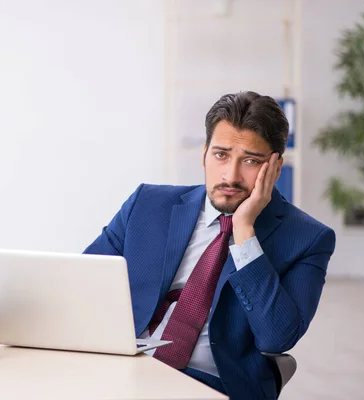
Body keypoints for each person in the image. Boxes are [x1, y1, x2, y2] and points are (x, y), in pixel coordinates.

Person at [84, 91, 336, 400]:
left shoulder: (308, 238)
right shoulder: (147, 204)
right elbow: (83, 285)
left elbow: (276, 337)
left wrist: (244, 230)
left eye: (250, 161)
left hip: (212, 385)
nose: (231, 175)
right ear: (204, 154)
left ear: (275, 167)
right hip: (124, 371)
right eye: (221, 155)